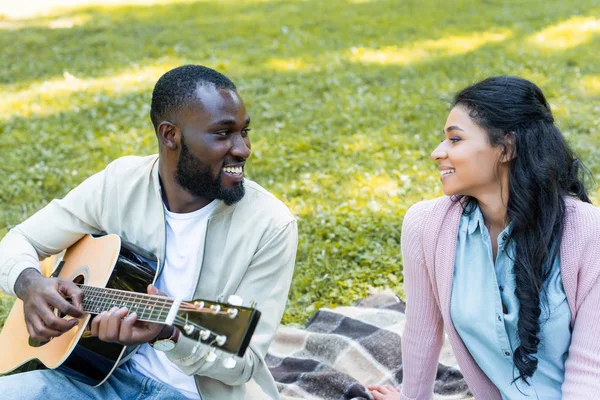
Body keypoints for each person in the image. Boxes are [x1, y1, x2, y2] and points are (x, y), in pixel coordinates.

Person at [0, 64, 298, 399]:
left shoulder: (270, 225)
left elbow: (246, 362)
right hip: (91, 380)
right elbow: (18, 241)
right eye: (222, 133)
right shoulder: (120, 183)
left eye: (244, 132)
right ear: (171, 135)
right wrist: (30, 284)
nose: (242, 149)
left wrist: (169, 334)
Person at [369, 76, 600, 399]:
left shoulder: (589, 232)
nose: (438, 153)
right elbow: (422, 332)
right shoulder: (426, 226)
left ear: (506, 148)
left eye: (455, 139)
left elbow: (590, 373)